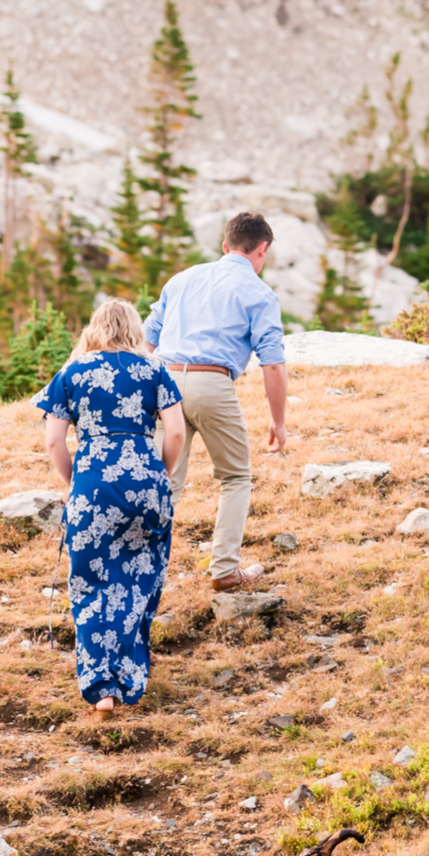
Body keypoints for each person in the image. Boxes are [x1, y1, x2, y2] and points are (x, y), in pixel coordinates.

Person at [37, 298, 186, 713]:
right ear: (135, 328)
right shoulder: (155, 370)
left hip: (93, 486)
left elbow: (53, 441)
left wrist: (77, 482)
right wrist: (160, 474)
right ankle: (130, 673)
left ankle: (102, 688)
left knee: (90, 585)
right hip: (146, 484)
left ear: (94, 327)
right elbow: (175, 433)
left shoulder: (72, 371)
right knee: (140, 578)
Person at [143, 210, 286, 593]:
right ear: (262, 250)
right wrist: (279, 421)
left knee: (166, 479)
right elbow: (272, 363)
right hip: (212, 382)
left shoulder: (182, 278)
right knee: (235, 476)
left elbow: (147, 339)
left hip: (165, 380)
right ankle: (224, 570)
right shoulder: (259, 293)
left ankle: (143, 566)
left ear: (225, 246)